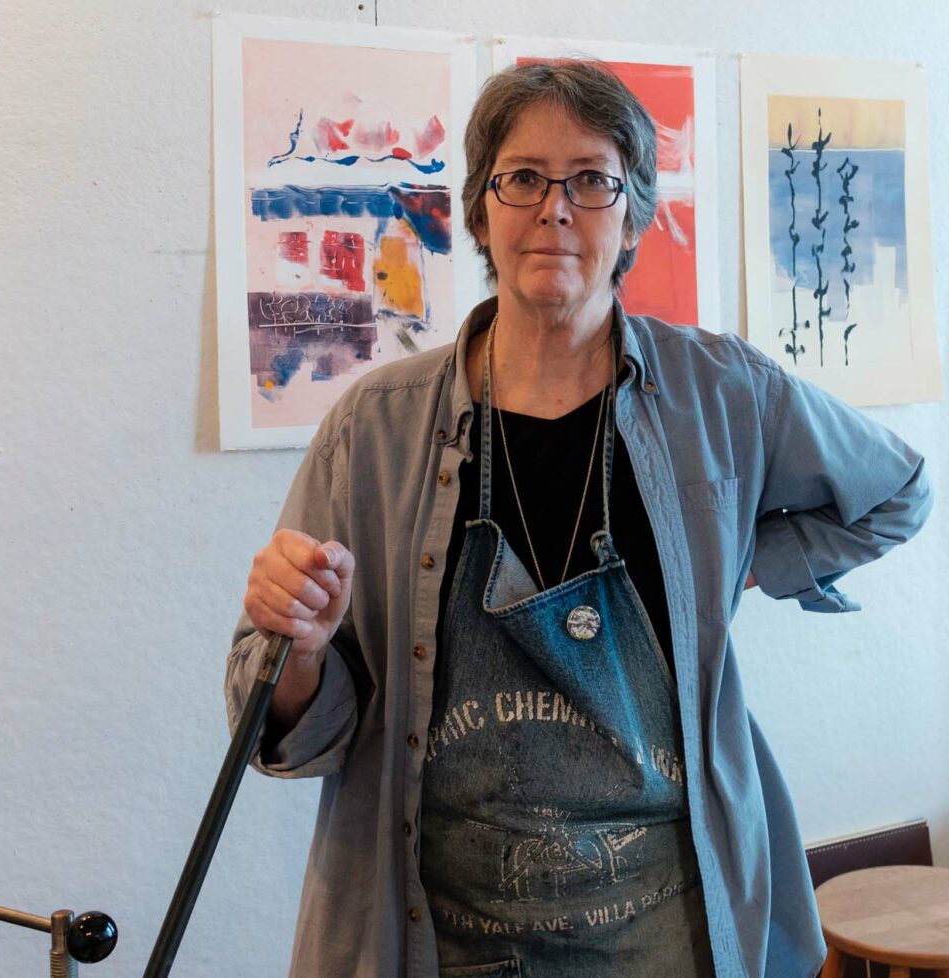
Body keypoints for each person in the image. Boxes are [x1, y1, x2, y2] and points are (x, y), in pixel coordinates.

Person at [226, 60, 932, 978]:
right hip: (439, 934)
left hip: (667, 931)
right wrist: (304, 649)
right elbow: (286, 724)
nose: (554, 208)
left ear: (634, 212)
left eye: (592, 179)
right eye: (522, 177)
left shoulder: (722, 394)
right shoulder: (376, 429)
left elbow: (897, 491)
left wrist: (752, 561)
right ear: (479, 210)